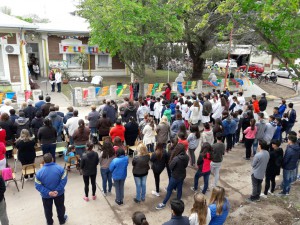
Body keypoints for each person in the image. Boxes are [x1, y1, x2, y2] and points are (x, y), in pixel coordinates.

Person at [35, 153, 68, 225]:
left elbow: (38, 185)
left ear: (43, 161)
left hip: (46, 196)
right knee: (60, 207)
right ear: (52, 159)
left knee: (47, 210)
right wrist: (57, 190)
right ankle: (62, 220)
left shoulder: (39, 173)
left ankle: (49, 222)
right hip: (59, 194)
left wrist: (48, 192)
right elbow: (64, 180)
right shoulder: (60, 169)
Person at [156, 144, 189, 210]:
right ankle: (178, 202)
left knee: (169, 190)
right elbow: (185, 166)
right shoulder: (187, 157)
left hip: (175, 176)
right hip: (182, 175)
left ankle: (163, 203)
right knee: (179, 189)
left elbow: (170, 167)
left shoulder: (176, 159)